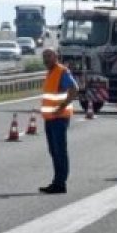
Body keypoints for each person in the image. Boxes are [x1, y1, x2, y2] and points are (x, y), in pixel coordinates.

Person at [39, 48, 78, 194]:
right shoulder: (50, 72)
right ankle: (57, 181)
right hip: (50, 118)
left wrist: (62, 107)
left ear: (56, 57)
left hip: (59, 119)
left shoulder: (62, 71)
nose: (46, 59)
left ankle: (60, 183)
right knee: (54, 151)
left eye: (49, 56)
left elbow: (74, 89)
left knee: (59, 151)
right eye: (44, 57)